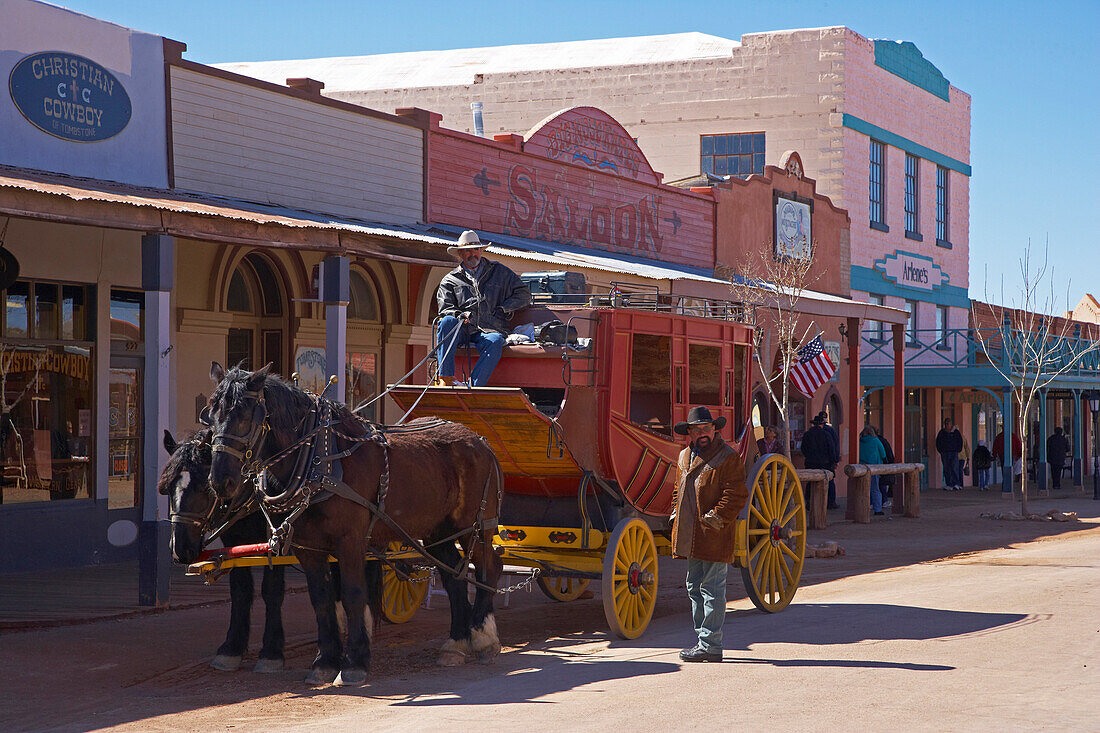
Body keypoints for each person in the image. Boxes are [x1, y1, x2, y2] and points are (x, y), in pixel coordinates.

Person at [670, 406, 749, 663]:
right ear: (689, 433)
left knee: (712, 589)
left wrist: (718, 517)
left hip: (714, 533)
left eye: (706, 428)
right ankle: (702, 641)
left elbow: (736, 493)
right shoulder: (683, 456)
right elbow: (677, 489)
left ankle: (710, 645)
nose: (702, 433)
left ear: (715, 430)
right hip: (690, 535)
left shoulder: (728, 457)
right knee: (694, 587)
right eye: (696, 430)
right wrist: (675, 511)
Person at [435, 230, 531, 387]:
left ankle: (473, 386)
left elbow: (524, 294)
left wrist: (504, 308)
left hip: (489, 329)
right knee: (446, 321)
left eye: (476, 249)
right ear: (460, 253)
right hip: (462, 331)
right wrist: (459, 316)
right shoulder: (450, 280)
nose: (472, 253)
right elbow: (445, 308)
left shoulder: (500, 272)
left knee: (495, 341)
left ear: (481, 250)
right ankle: (445, 378)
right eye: (467, 250)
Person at [801, 414, 838, 508]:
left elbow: (803, 449)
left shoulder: (807, 434)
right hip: (825, 463)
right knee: (829, 481)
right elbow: (831, 449)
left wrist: (809, 456)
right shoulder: (826, 434)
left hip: (811, 462)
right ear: (822, 424)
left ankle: (809, 501)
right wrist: (833, 461)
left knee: (810, 482)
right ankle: (830, 502)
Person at [858, 425, 887, 516]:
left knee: (863, 488)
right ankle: (877, 509)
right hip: (874, 467)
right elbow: (883, 453)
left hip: (862, 467)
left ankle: (863, 507)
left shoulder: (860, 441)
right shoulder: (875, 441)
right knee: (875, 488)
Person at [818, 411, 841, 509]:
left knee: (815, 481)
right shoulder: (830, 431)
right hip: (827, 460)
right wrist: (835, 459)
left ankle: (815, 502)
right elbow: (834, 446)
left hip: (815, 461)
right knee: (830, 480)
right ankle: (831, 502)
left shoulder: (811, 432)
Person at [935, 418, 964, 491]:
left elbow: (960, 441)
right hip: (945, 452)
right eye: (946, 423)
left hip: (954, 452)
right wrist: (940, 450)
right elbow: (938, 442)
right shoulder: (942, 432)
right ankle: (949, 484)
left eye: (948, 423)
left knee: (954, 467)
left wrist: (958, 450)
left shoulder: (956, 432)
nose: (947, 425)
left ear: (951, 424)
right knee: (946, 468)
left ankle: (956, 483)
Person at [874, 426, 895, 509]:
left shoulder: (864, 441)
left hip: (872, 465)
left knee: (876, 485)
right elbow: (885, 453)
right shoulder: (881, 441)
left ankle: (876, 502)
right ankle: (883, 501)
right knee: (881, 484)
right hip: (880, 464)